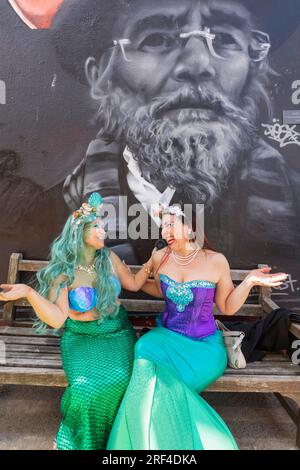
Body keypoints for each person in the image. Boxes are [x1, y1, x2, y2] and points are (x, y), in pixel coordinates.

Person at [51, 0, 300, 266]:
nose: (198, 64)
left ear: (253, 68)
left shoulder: (293, 199)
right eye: (156, 39)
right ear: (101, 75)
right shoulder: (43, 214)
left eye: (226, 39)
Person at [106, 203, 288, 450]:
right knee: (144, 348)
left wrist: (250, 281)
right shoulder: (161, 257)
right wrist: (137, 274)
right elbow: (160, 289)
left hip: (204, 348)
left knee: (154, 387)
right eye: (162, 228)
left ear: (190, 228)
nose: (164, 233)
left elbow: (227, 307)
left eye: (170, 225)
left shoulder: (215, 261)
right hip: (166, 338)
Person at [0, 192, 155, 450]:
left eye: (103, 226)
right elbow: (58, 318)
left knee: (121, 380)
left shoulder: (110, 259)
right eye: (97, 227)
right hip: (81, 337)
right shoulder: (63, 272)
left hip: (116, 333)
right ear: (78, 232)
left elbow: (134, 283)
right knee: (85, 388)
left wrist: (152, 263)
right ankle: (81, 441)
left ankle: (118, 442)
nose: (104, 231)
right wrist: (29, 294)